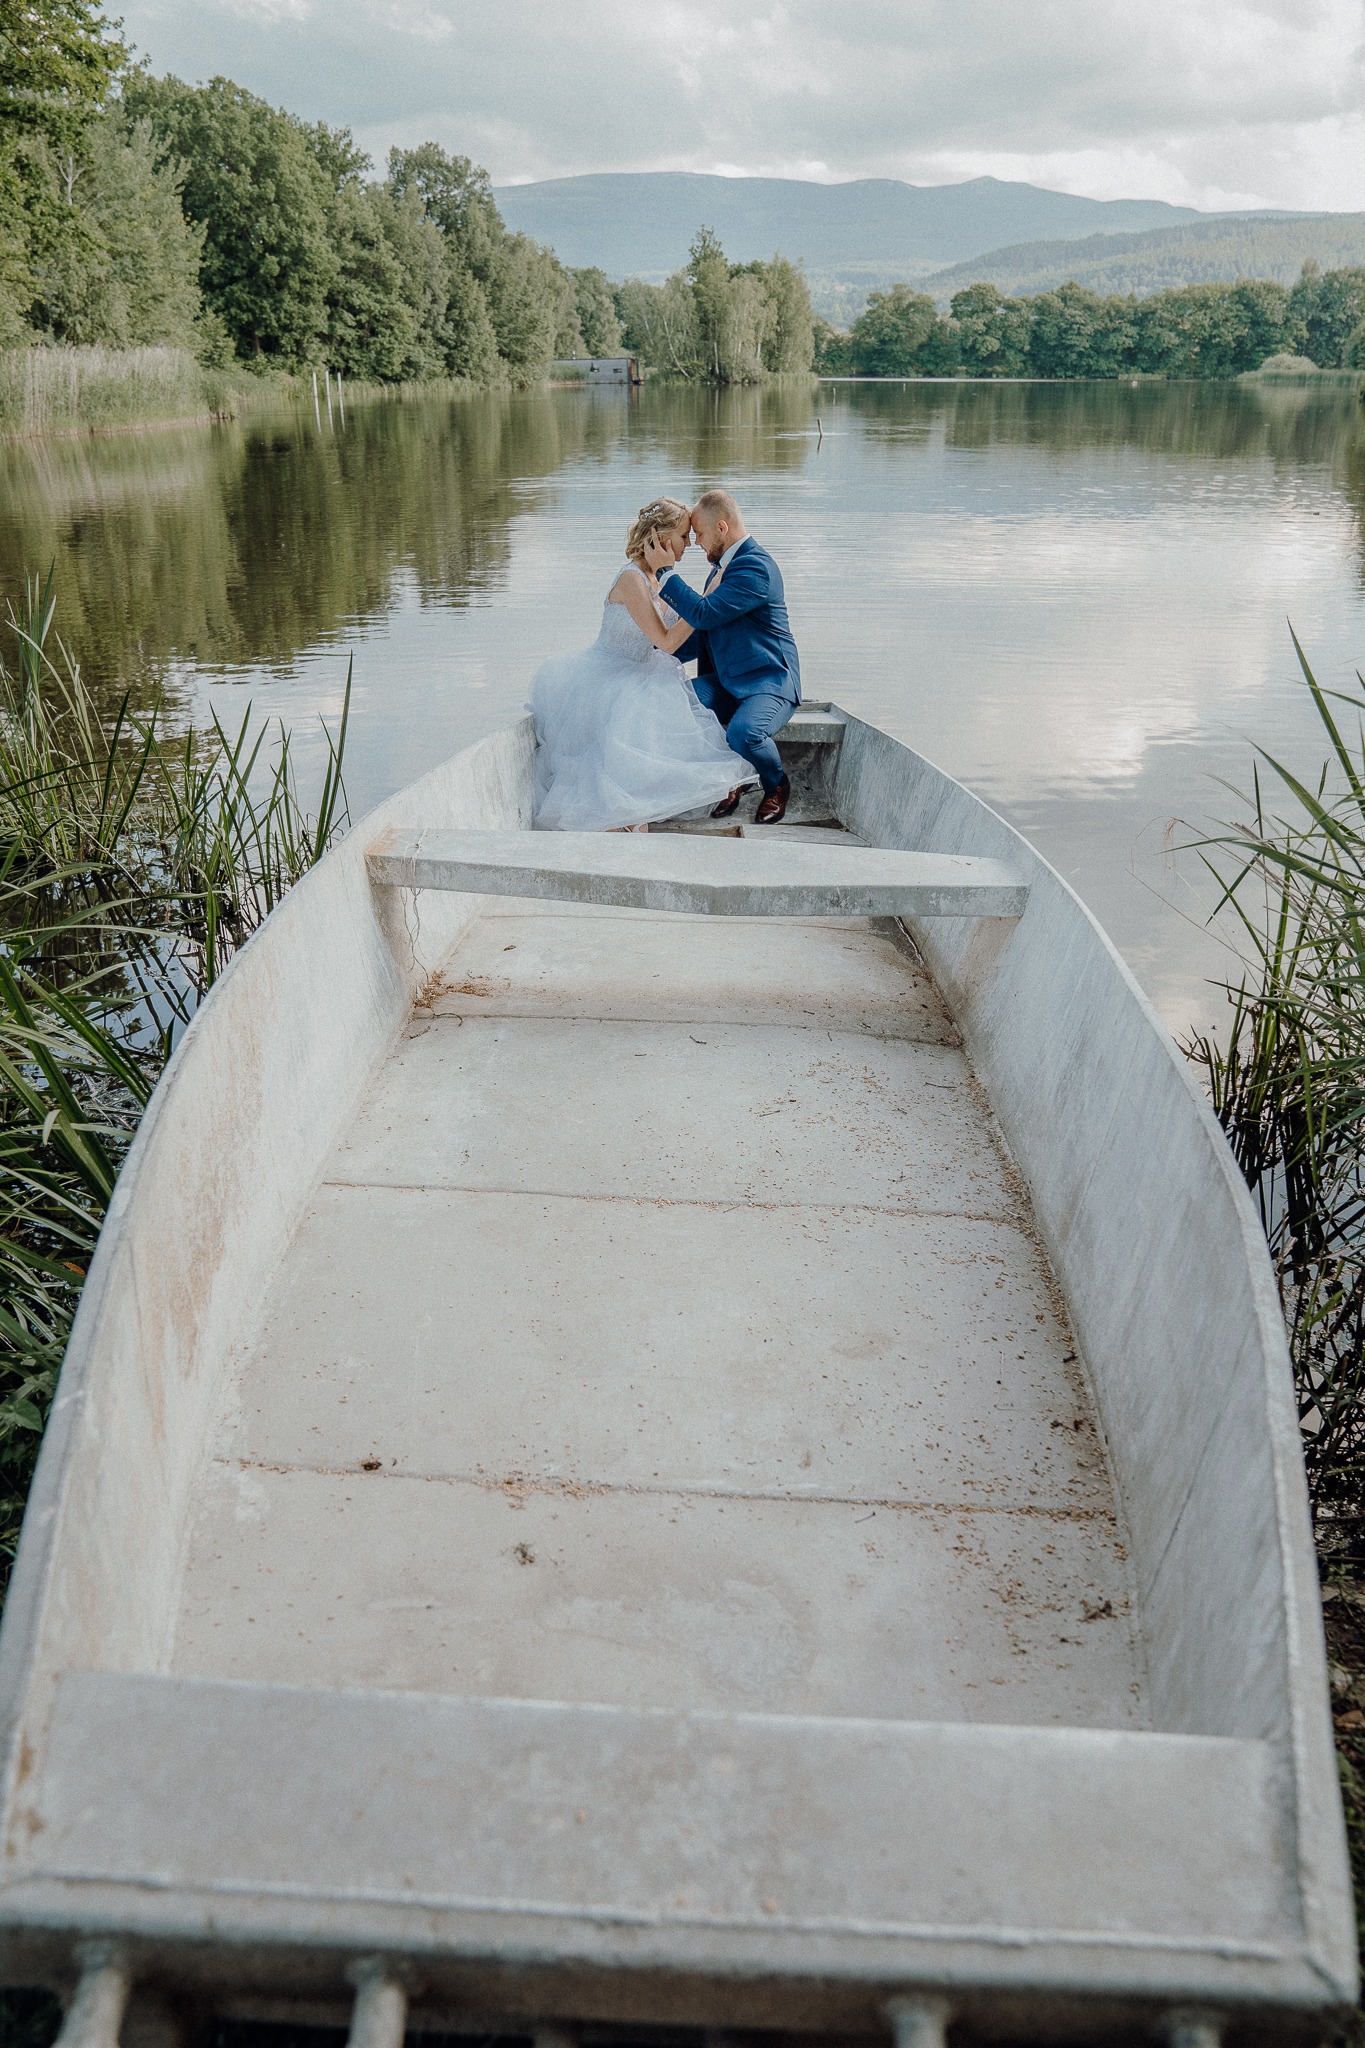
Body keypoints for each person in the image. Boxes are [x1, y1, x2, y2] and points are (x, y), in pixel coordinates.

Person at [529, 497, 749, 832]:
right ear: (660, 538)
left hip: (643, 672)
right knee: (632, 722)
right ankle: (624, 819)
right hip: (608, 676)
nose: (689, 544)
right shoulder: (632, 579)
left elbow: (682, 630)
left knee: (663, 720)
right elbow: (667, 641)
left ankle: (640, 812)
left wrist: (707, 606)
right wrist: (704, 603)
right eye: (682, 536)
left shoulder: (659, 579)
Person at [652, 490, 801, 825]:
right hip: (727, 681)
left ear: (721, 528)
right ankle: (728, 780)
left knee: (743, 733)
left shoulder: (755, 568)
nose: (695, 543)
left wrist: (665, 574)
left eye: (700, 534)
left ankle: (776, 785)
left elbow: (703, 614)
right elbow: (705, 633)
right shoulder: (722, 568)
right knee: (674, 702)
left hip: (768, 681)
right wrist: (656, 651)